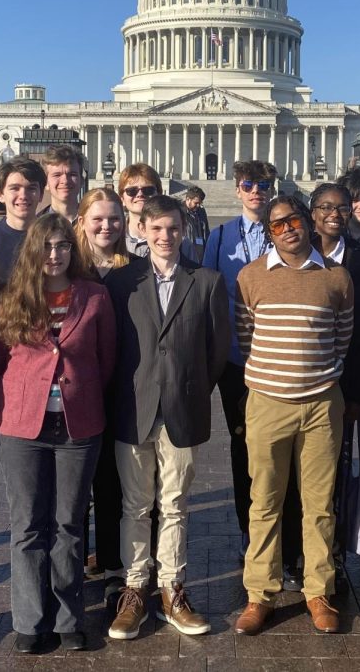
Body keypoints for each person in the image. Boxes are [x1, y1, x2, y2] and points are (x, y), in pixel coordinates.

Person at [105, 195, 229, 640]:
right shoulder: (121, 283)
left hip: (181, 408)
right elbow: (112, 349)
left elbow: (216, 351)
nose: (164, 236)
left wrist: (189, 387)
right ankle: (136, 588)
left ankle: (171, 588)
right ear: (141, 229)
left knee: (175, 504)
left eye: (172, 228)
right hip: (132, 408)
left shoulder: (208, 280)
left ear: (183, 229)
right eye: (156, 228)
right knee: (134, 505)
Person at [0, 215, 115, 654]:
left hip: (78, 424)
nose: (55, 254)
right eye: (46, 245)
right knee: (27, 525)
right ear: (33, 250)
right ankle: (30, 620)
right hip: (22, 425)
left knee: (68, 525)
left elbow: (105, 361)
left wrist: (77, 394)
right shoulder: (13, 296)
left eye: (63, 245)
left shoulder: (96, 296)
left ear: (72, 249)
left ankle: (68, 618)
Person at [233, 195, 354, 636]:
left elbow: (343, 337)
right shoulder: (250, 277)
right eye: (278, 224)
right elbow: (245, 335)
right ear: (269, 233)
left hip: (322, 403)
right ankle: (259, 593)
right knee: (264, 502)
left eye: (294, 221)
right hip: (267, 402)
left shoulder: (337, 278)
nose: (287, 229)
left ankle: (317, 591)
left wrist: (315, 375)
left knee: (319, 505)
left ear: (308, 223)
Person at [203, 160, 302, 574]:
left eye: (264, 184)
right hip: (236, 360)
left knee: (288, 451)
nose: (257, 191)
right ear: (237, 189)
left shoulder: (287, 233)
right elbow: (207, 291)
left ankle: (289, 536)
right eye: (249, 184)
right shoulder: (219, 236)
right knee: (245, 446)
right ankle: (251, 529)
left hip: (280, 358)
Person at [0, 155, 47, 585]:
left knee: (30, 469)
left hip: (36, 367)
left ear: (42, 194)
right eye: (15, 188)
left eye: (31, 188)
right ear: (0, 193)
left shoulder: (53, 237)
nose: (23, 196)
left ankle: (35, 556)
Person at [309, 183, 360, 571]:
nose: (334, 214)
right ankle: (299, 553)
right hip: (301, 385)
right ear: (313, 212)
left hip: (342, 384)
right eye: (325, 207)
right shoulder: (292, 255)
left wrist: (356, 393)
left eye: (341, 208)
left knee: (336, 472)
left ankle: (331, 555)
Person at [74, 187, 129, 602]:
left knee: (111, 484)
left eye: (114, 219)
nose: (106, 226)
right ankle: (70, 563)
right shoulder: (66, 268)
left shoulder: (136, 270)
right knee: (73, 487)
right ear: (82, 222)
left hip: (124, 390)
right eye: (98, 219)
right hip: (77, 392)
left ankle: (113, 564)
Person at [117, 163, 163, 256]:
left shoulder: (177, 242)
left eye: (148, 190)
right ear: (122, 199)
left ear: (159, 194)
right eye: (131, 191)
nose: (140, 195)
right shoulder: (112, 239)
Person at [39, 145, 85, 222]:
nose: (65, 181)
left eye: (72, 174)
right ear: (46, 183)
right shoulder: (36, 227)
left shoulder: (95, 223)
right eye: (57, 175)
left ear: (82, 181)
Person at [183, 186, 210, 262]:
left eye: (200, 203)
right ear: (188, 199)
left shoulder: (201, 211)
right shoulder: (179, 212)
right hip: (186, 254)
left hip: (201, 254)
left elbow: (206, 231)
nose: (198, 205)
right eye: (196, 203)